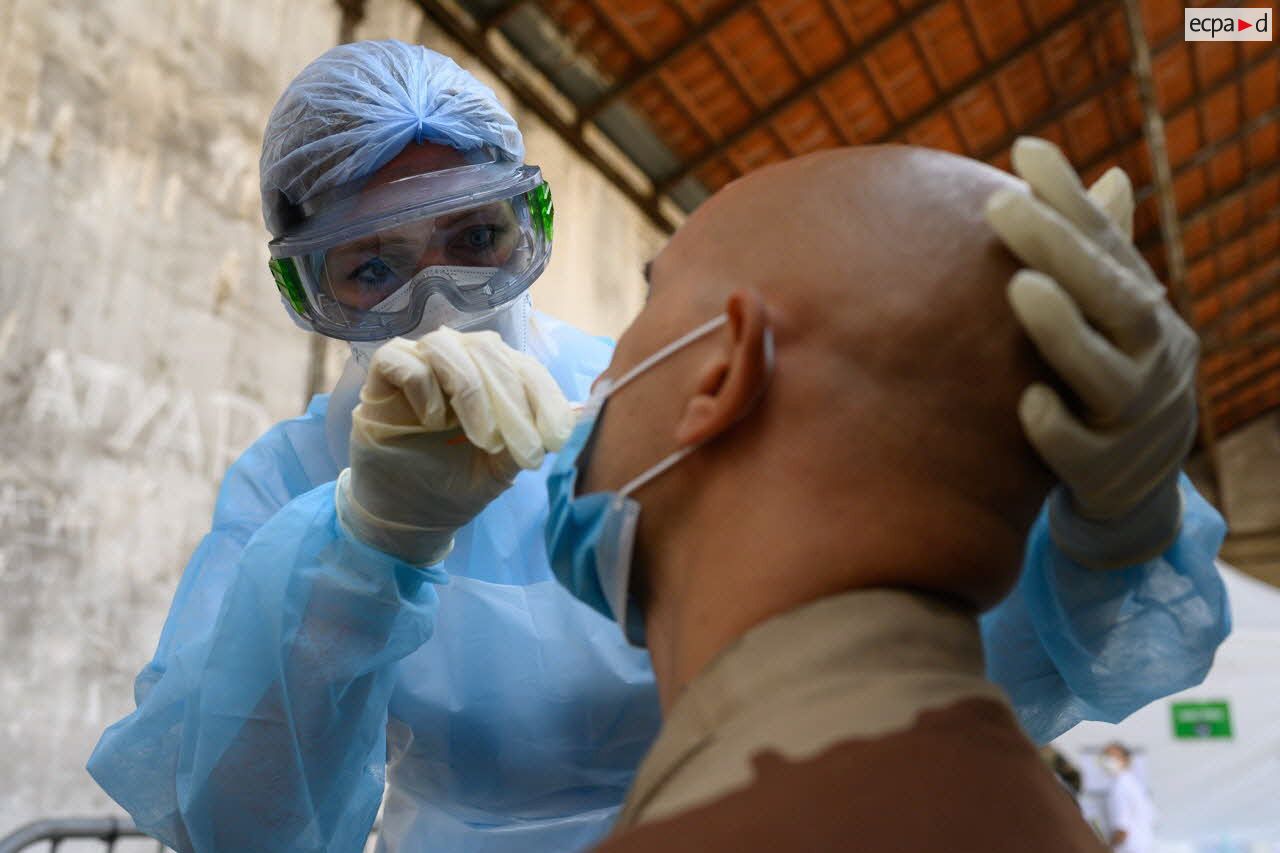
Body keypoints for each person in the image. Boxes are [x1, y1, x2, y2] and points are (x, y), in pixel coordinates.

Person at [86, 38, 1227, 853]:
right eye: (370, 268)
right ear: (309, 288)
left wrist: (1108, 531)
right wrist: (359, 544)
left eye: (476, 235)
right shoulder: (295, 485)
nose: (438, 294)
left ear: (527, 224)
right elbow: (238, 820)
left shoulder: (641, 388)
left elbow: (934, 605)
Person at [542, 145, 1134, 850]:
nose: (604, 370)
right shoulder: (1022, 814)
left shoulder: (735, 830)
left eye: (649, 301)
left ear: (720, 372)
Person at [1102, 743, 1156, 852]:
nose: (1108, 760)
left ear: (1126, 759)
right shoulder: (1133, 783)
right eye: (1106, 756)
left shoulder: (1119, 786)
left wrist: (1105, 849)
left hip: (1127, 848)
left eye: (1113, 756)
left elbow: (1122, 829)